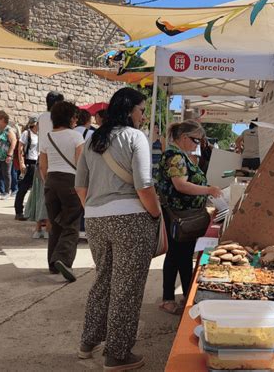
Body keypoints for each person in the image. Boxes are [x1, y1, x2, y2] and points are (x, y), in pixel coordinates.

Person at [75, 87, 161, 371]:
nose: (143, 115)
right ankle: (117, 354)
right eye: (141, 110)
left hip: (96, 219)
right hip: (131, 220)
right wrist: (156, 213)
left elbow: (80, 186)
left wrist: (97, 209)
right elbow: (144, 185)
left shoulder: (92, 140)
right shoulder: (136, 137)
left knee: (103, 280)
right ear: (129, 111)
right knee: (127, 287)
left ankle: (89, 341)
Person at [157, 120, 222, 315]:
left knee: (183, 256)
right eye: (195, 140)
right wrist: (209, 189)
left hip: (183, 215)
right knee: (176, 256)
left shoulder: (179, 155)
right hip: (180, 216)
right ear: (184, 138)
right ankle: (168, 298)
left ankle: (186, 294)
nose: (197, 145)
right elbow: (181, 185)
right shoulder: (176, 157)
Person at [39, 101, 84, 280]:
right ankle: (63, 259)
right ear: (70, 118)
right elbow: (80, 166)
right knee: (71, 224)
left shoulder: (47, 137)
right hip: (70, 181)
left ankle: (52, 263)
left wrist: (48, 182)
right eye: (75, 116)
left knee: (55, 223)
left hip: (51, 181)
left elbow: (43, 166)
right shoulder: (76, 137)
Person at [26, 91, 64, 239]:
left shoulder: (41, 117)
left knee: (39, 195)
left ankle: (38, 229)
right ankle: (49, 228)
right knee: (51, 197)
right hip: (53, 160)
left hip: (40, 158)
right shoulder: (58, 118)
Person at [14, 116, 39, 221]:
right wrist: (21, 164)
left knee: (37, 188)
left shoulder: (40, 135)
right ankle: (19, 211)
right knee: (24, 187)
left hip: (38, 162)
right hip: (29, 163)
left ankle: (34, 212)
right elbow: (20, 149)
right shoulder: (26, 134)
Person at [0, 111, 17, 200]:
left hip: (5, 157)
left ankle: (7, 192)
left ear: (3, 119)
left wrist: (9, 155)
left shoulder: (8, 130)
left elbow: (14, 141)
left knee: (6, 174)